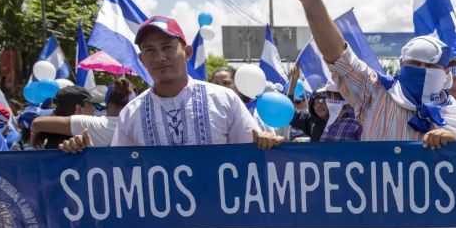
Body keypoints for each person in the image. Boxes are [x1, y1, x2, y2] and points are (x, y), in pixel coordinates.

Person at [288, 0, 456, 150]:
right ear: (401, 64)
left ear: (446, 72)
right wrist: (313, 4)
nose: (422, 70)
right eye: (414, 64)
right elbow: (340, 58)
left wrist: (455, 143)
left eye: (430, 66)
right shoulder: (375, 92)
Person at [59, 15, 281, 152]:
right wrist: (85, 158)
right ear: (141, 60)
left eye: (167, 47)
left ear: (186, 52)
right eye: (150, 50)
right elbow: (122, 174)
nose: (159, 57)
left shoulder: (224, 100)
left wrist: (265, 143)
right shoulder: (131, 114)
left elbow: (251, 158)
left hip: (222, 226)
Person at [30, 79, 133, 148]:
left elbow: (37, 124)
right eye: (91, 104)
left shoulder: (44, 140)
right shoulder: (85, 131)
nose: (93, 110)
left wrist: (35, 137)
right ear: (79, 109)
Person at [32, 85, 101, 149]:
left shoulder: (46, 138)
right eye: (91, 104)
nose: (93, 109)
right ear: (78, 108)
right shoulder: (79, 144)